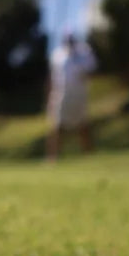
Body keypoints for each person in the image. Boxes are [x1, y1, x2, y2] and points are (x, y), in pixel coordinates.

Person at [46, 33, 97, 162]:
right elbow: (53, 78)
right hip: (61, 95)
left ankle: (88, 156)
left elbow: (91, 72)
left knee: (83, 125)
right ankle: (53, 157)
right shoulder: (57, 55)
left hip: (80, 95)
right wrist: (50, 96)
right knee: (57, 126)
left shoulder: (85, 53)